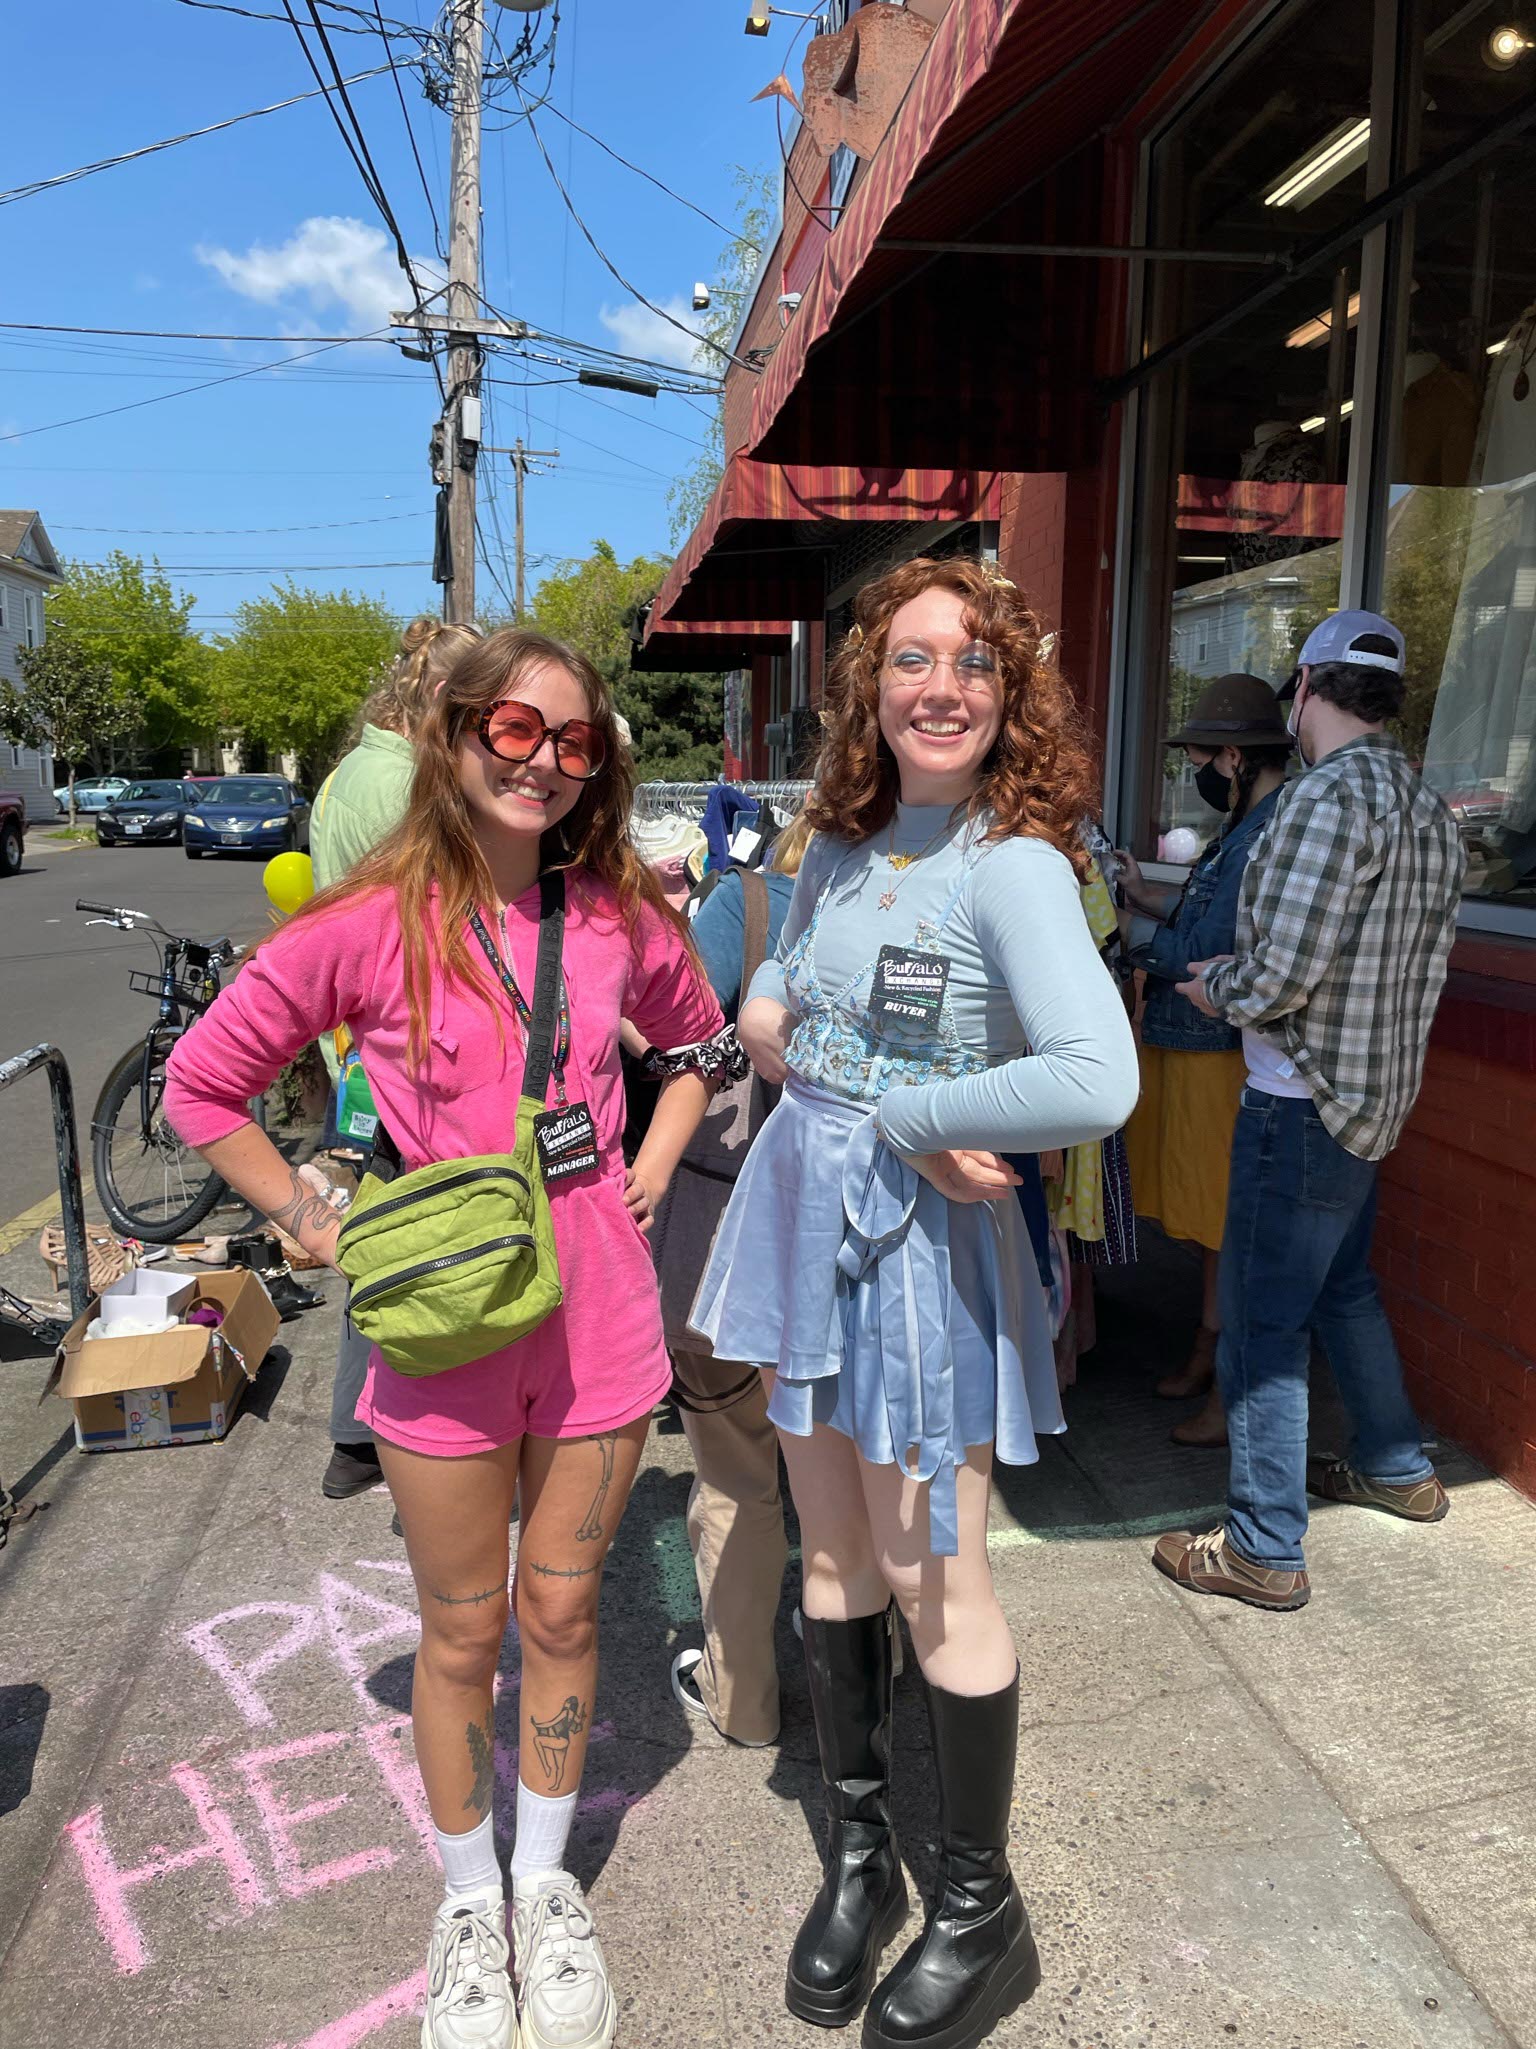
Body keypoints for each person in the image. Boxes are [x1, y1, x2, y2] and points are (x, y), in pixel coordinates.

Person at [164, 628, 734, 2049]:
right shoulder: (367, 921)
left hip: (601, 1316)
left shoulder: (619, 918)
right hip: (444, 1324)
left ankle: (546, 1888)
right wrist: (305, 1207)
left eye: (575, 741)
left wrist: (656, 1159)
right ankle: (468, 1902)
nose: (542, 760)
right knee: (463, 1628)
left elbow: (702, 1042)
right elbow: (205, 1084)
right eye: (515, 729)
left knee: (560, 1612)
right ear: (458, 733)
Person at [691, 558, 1139, 2049]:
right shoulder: (844, 844)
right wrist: (809, 1048)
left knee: (936, 1572)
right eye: (910, 659)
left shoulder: (1012, 862)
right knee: (833, 1556)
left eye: (974, 664)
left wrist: (907, 1109)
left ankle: (975, 1904)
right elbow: (770, 1007)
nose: (940, 685)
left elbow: (1096, 1075)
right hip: (809, 1229)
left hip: (920, 1267)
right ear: (869, 688)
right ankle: (863, 1851)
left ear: (1008, 696)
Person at [1153, 611, 1465, 1612]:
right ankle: (1395, 1464)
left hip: (1298, 1100)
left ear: (1306, 690)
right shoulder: (1424, 805)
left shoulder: (1327, 800)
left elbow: (1279, 976)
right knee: (1344, 1291)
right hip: (1370, 1101)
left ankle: (1263, 1546)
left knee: (1260, 1327)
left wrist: (1211, 986)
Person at [311, 616, 482, 1503]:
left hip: (359, 1038)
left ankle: (356, 1436)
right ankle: (385, 1428)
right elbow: (428, 907)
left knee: (386, 1215)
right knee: (422, 1227)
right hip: (406, 1036)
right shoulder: (405, 779)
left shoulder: (348, 774)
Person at [655, 810, 811, 1747]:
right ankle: (866, 1681)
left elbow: (666, 1035)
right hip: (860, 1229)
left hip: (725, 1229)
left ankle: (744, 1701)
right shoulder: (925, 913)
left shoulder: (744, 903)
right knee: (856, 1483)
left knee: (737, 1475)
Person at [1117, 674, 1292, 1446]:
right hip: (1204, 1046)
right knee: (1213, 1225)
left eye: (1201, 757)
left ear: (1233, 754)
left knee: (1226, 1226)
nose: (1198, 774)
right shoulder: (1250, 822)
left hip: (1220, 1052)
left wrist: (1123, 935)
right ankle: (1206, 1360)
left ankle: (1223, 1382)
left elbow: (1207, 952)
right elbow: (1202, 919)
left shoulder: (1262, 834)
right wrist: (1141, 900)